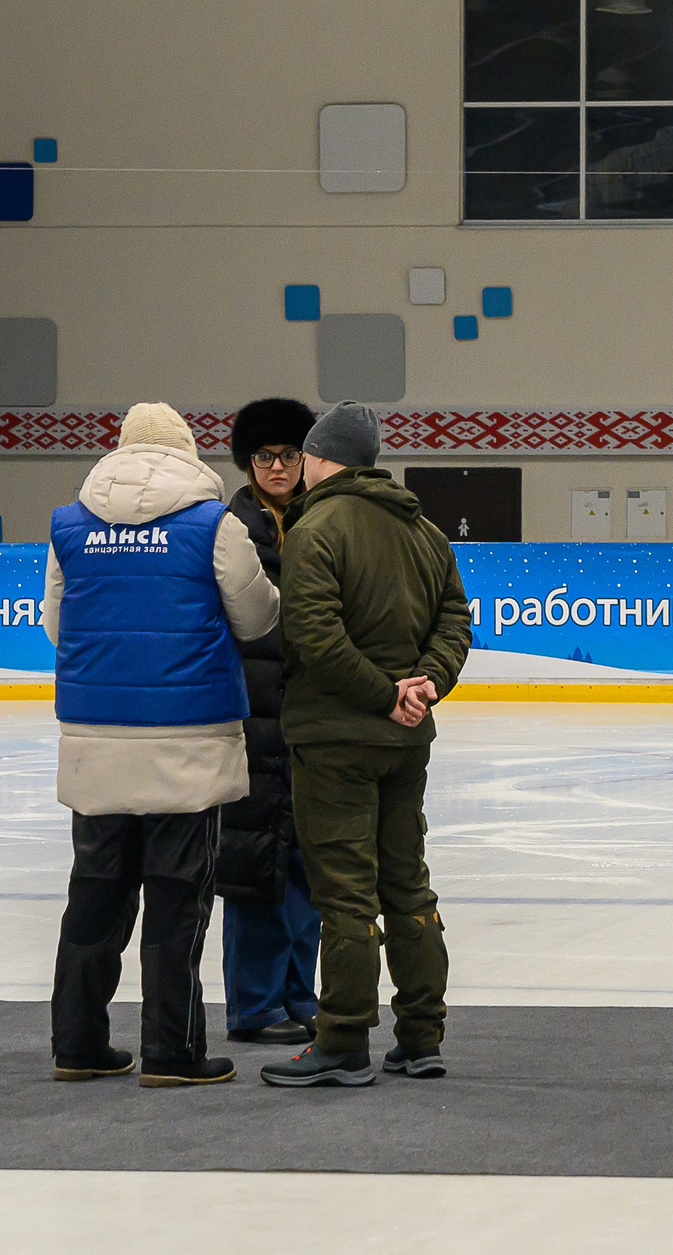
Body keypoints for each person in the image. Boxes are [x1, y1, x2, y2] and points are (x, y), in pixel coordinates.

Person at [44, 402, 278, 1087]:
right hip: (188, 735)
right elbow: (258, 613)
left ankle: (77, 1044)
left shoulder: (69, 525)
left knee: (94, 894)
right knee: (178, 897)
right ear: (185, 452)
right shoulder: (214, 525)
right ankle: (171, 1053)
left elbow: (60, 625)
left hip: (97, 735)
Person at [260, 402, 471, 1089]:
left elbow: (313, 635)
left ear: (323, 458)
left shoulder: (315, 526)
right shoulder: (426, 530)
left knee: (346, 890)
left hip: (336, 739)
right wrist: (425, 686)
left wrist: (383, 694)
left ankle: (344, 1037)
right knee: (407, 882)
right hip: (406, 741)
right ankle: (421, 1035)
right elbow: (455, 621)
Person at [217, 397, 321, 1048]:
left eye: (288, 454)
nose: (277, 466)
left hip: (309, 724)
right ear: (248, 462)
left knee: (307, 868)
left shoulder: (322, 520)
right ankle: (254, 1005)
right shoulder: (231, 528)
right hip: (253, 725)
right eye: (265, 456)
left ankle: (299, 997)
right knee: (255, 868)